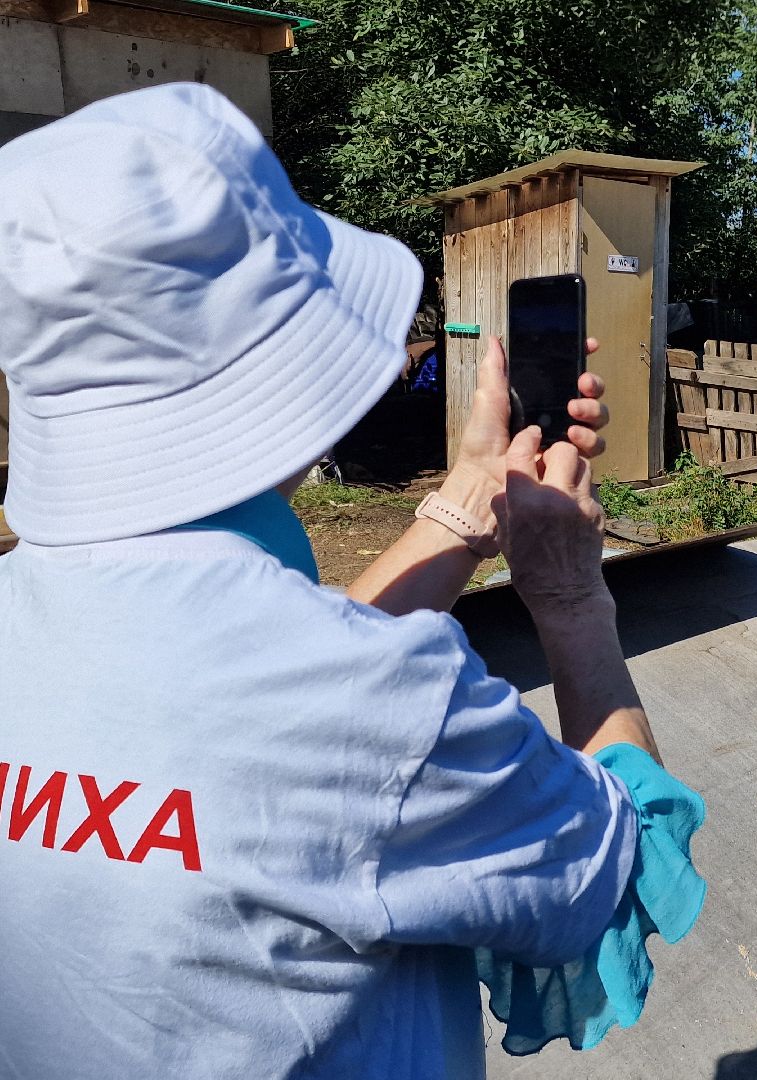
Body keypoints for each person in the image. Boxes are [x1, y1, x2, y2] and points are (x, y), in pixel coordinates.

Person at [0, 83, 704, 1078]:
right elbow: (623, 871)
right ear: (274, 360)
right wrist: (571, 598)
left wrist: (465, 506)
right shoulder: (380, 707)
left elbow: (258, 717)